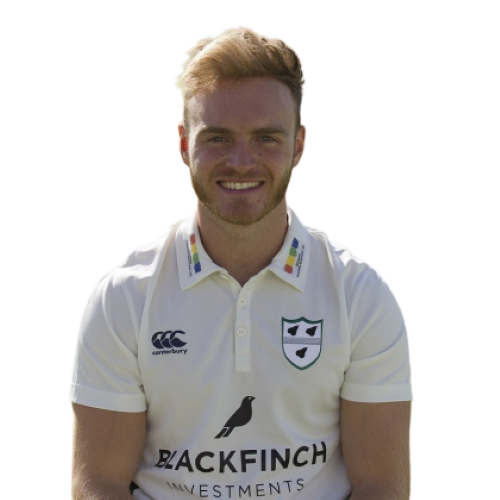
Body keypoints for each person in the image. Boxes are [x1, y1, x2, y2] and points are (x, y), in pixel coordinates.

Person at [69, 25, 413, 500]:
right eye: (218, 138)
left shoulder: (360, 296)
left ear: (299, 145)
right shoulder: (123, 298)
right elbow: (99, 485)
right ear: (184, 144)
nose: (241, 161)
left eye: (266, 138)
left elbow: (382, 488)